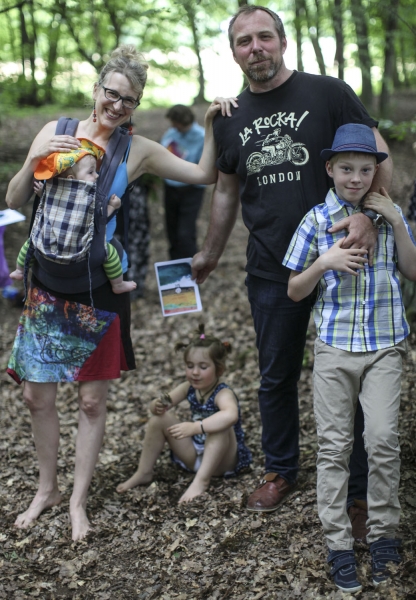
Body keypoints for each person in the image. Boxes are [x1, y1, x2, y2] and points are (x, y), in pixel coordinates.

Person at [5, 44, 226, 541]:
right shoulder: (56, 131)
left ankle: (77, 501)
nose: (118, 105)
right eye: (113, 93)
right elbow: (15, 199)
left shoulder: (136, 150)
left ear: (137, 104)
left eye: (129, 99)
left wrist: (211, 124)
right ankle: (47, 489)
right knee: (37, 397)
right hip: (47, 286)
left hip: (99, 292)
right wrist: (33, 160)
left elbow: (203, 175)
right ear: (97, 88)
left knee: (90, 403)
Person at [191, 5, 392, 526]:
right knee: (275, 376)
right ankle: (281, 470)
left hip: (344, 262)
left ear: (282, 42)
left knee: (351, 374)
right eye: (244, 41)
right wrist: (210, 252)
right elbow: (225, 191)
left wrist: (369, 216)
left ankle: (358, 489)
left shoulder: (328, 93)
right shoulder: (230, 116)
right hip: (271, 268)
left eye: (264, 37)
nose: (255, 48)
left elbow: (380, 156)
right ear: (233, 52)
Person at [283, 123, 412, 592]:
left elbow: (411, 269)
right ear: (330, 169)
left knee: (381, 440)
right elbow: (294, 290)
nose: (355, 178)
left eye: (364, 169)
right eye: (346, 169)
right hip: (335, 348)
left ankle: (383, 536)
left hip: (384, 346)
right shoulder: (316, 221)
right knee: (335, 447)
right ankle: (338, 544)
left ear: (376, 172)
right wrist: (324, 263)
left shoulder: (388, 215)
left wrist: (397, 221)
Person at [116, 324, 252, 502]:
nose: (195, 372)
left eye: (203, 367)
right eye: (190, 366)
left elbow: (231, 415)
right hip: (194, 456)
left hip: (222, 462)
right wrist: (156, 405)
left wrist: (196, 427)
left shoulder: (223, 393)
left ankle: (201, 481)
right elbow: (165, 401)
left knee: (220, 425)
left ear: (219, 369)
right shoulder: (188, 387)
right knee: (158, 419)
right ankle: (144, 471)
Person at [9, 145, 136, 295]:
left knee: (31, 243)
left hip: (48, 247)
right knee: (111, 253)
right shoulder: (88, 198)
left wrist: (43, 194)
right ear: (71, 179)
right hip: (79, 251)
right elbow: (101, 219)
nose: (97, 176)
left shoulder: (53, 190)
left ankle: (19, 270)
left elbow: (49, 206)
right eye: (91, 172)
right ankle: (118, 284)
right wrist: (112, 206)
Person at [161, 105, 206, 259]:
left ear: (183, 121)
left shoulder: (201, 137)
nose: (173, 126)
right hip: (171, 188)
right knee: (172, 231)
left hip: (191, 190)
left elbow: (204, 167)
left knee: (185, 233)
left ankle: (190, 267)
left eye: (175, 123)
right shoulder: (171, 134)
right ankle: (174, 266)